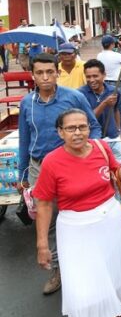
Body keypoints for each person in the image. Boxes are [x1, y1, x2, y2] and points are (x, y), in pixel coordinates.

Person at [32, 108, 121, 317]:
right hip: (75, 229)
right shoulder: (52, 162)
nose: (78, 133)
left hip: (111, 221)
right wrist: (42, 244)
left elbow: (115, 174)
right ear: (60, 132)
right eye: (71, 128)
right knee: (81, 290)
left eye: (82, 127)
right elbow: (45, 204)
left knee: (115, 277)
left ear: (89, 128)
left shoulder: (101, 147)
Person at [18, 54, 102, 295]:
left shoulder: (73, 97)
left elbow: (93, 127)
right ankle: (59, 270)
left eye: (49, 72)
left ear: (57, 73)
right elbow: (25, 138)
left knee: (75, 215)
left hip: (70, 167)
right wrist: (24, 174)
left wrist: (87, 154)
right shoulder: (27, 103)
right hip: (38, 168)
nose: (45, 77)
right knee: (48, 220)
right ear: (32, 75)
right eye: (39, 73)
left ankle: (85, 260)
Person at [79, 59, 121, 196]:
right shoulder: (80, 95)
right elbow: (87, 119)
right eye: (88, 76)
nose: (92, 80)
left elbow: (116, 111)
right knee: (99, 178)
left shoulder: (113, 91)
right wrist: (104, 103)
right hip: (93, 142)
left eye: (95, 76)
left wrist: (119, 131)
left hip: (113, 139)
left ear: (104, 75)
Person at [97, 35, 121, 135]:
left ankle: (107, 129)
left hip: (105, 83)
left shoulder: (99, 55)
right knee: (120, 109)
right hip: (117, 83)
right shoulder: (117, 55)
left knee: (108, 108)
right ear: (112, 44)